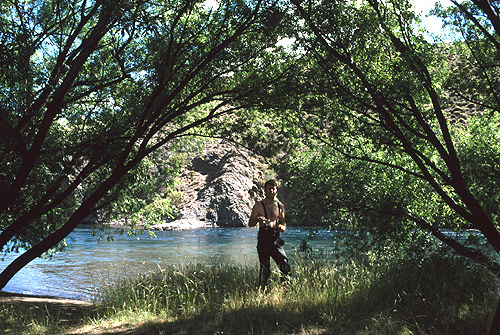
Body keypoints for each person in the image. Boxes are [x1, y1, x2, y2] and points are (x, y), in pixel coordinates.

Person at [248, 179, 290, 291]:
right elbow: (250, 223)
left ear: (276, 191)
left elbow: (283, 223)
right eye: (269, 189)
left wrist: (282, 227)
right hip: (263, 239)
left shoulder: (280, 206)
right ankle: (263, 293)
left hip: (276, 239)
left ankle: (284, 291)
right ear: (265, 190)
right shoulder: (258, 206)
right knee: (265, 269)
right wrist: (257, 219)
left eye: (274, 189)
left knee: (284, 264)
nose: (271, 191)